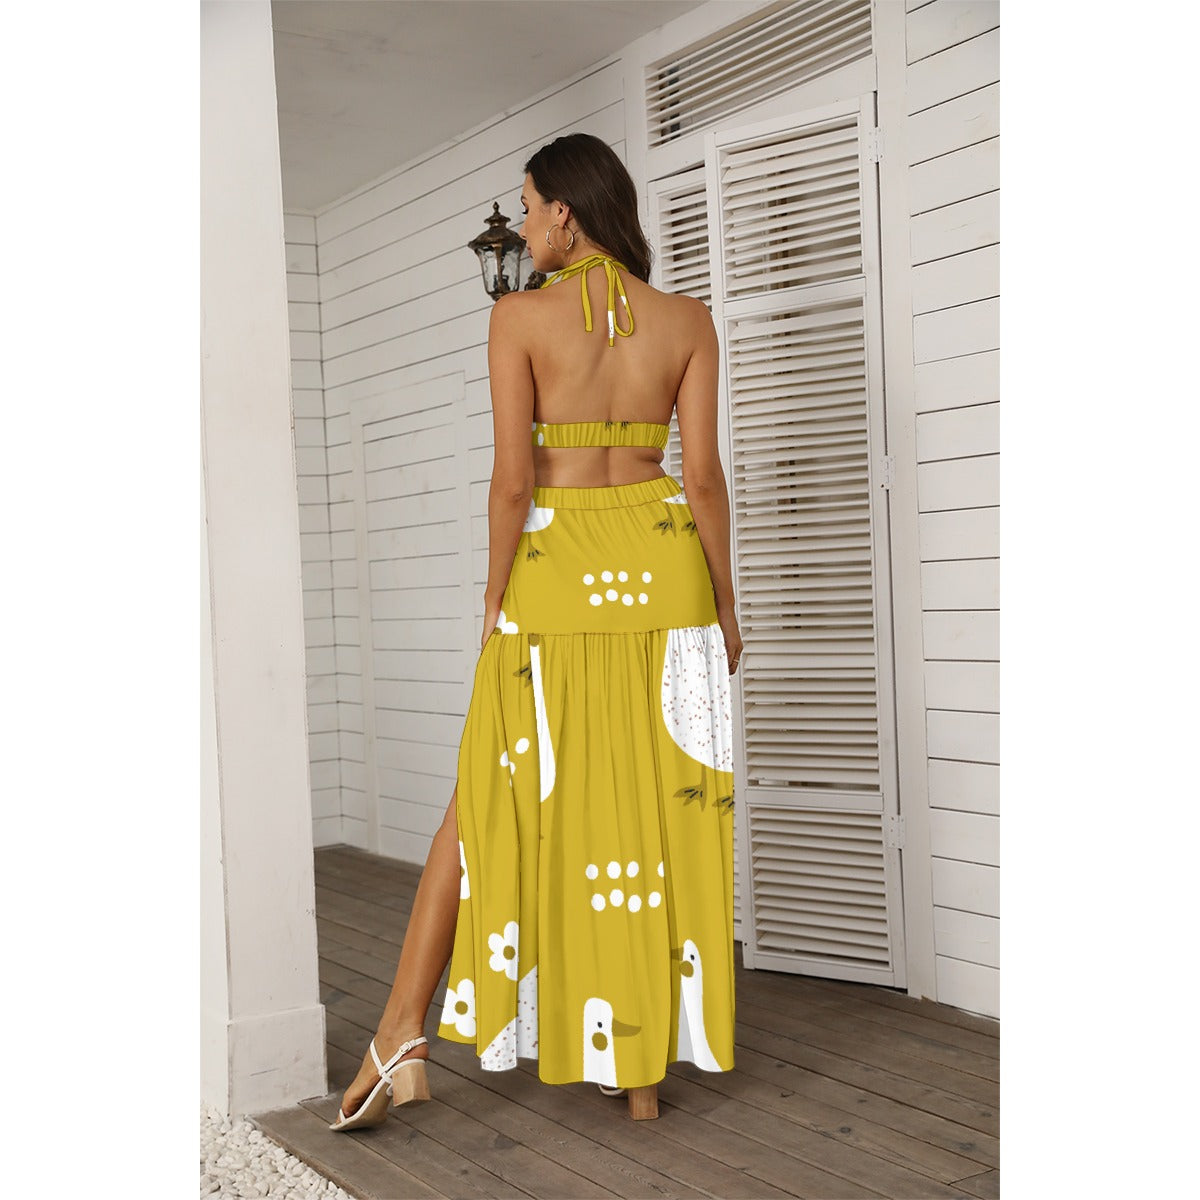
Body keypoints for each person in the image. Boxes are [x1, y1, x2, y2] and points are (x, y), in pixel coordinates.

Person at [330, 132, 743, 1131]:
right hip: (666, 577)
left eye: (526, 206)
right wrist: (727, 606)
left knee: (488, 801)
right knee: (646, 812)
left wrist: (493, 596)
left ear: (565, 210)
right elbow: (701, 478)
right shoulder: (687, 320)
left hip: (555, 576)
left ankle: (402, 1034)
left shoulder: (518, 317)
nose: (521, 226)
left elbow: (514, 481)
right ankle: (636, 1065)